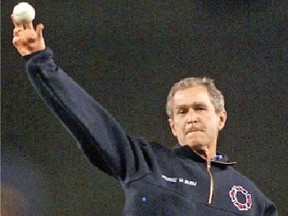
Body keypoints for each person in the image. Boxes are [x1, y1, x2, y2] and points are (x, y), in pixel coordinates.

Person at [11, 17, 278, 216]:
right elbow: (89, 120)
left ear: (221, 118)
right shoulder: (145, 163)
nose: (191, 117)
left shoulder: (249, 197)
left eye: (200, 108)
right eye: (182, 112)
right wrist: (40, 61)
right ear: (173, 126)